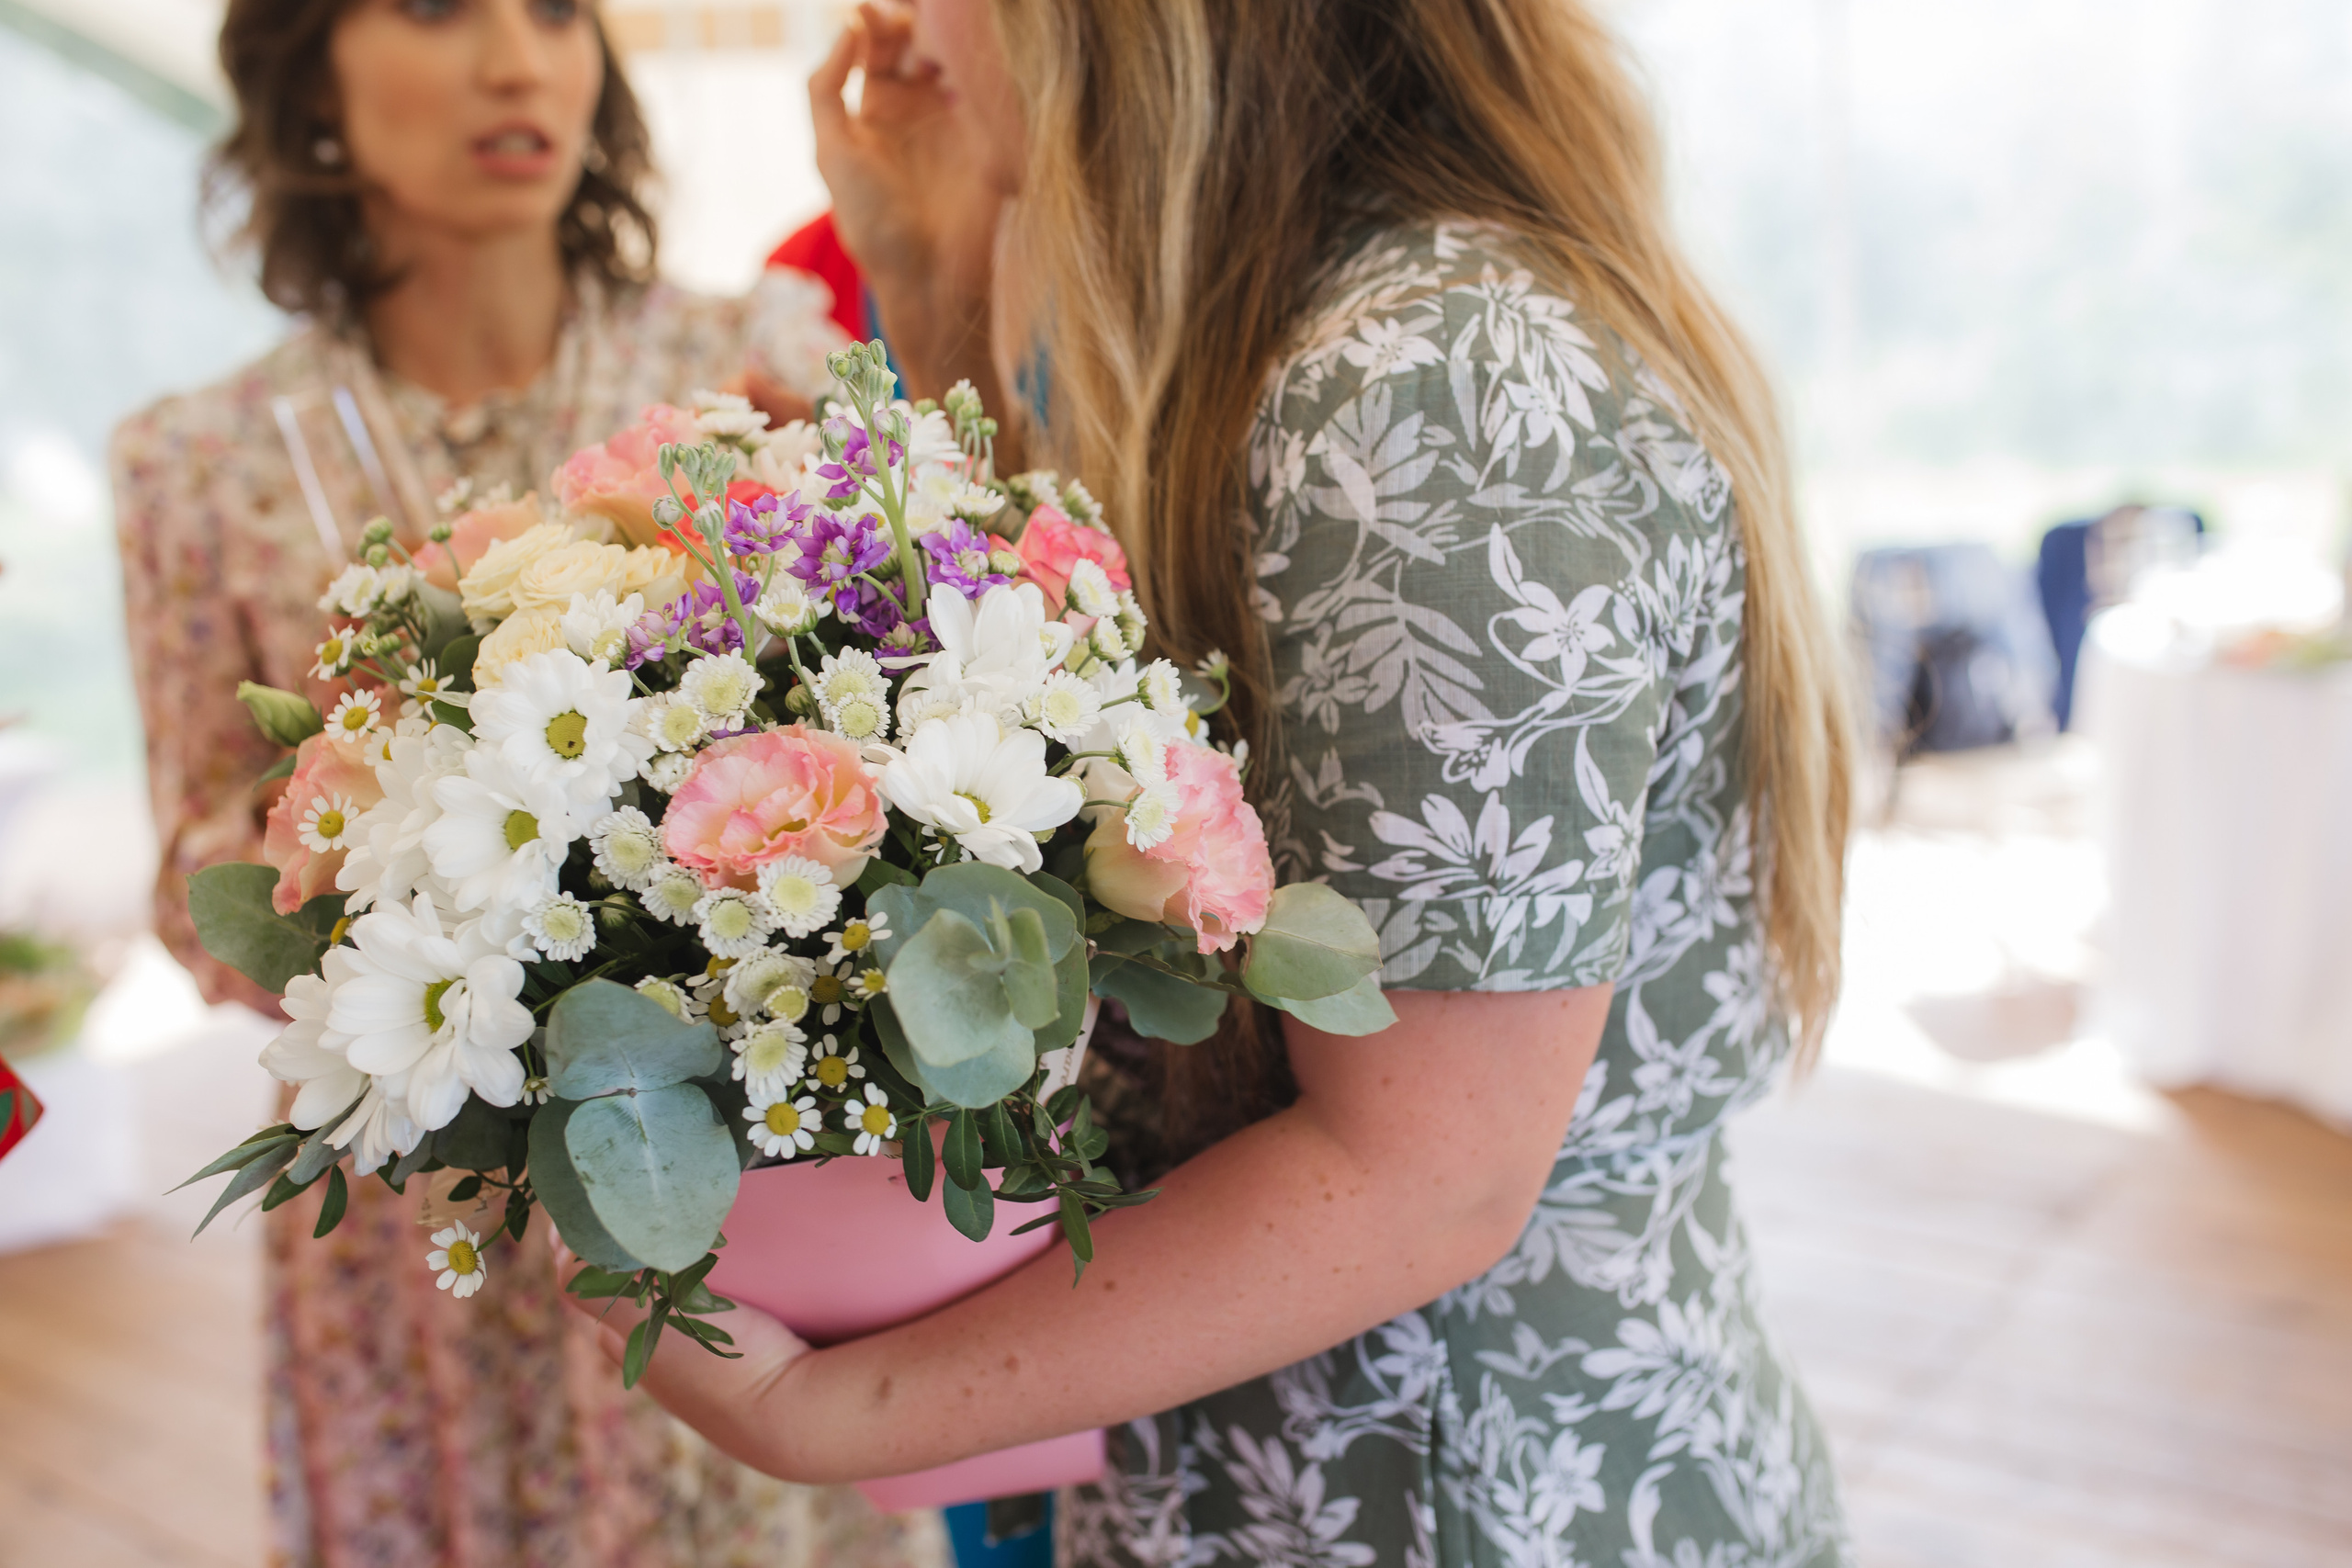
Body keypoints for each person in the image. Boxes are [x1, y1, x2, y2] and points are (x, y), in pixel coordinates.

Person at [576, 0, 1862, 1564]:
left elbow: (1428, 1176)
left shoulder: (1418, 393)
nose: (892, 20)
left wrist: (840, 1411)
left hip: (1451, 1498)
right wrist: (926, 267)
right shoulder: (1305, 340)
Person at [107, 1, 950, 1563]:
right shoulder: (196, 457)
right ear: (310, 84)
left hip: (730, 1185)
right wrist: (378, 801)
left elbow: (918, 712)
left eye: (559, 10)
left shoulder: (748, 370)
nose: (517, 61)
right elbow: (187, 893)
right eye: (439, 9)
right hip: (412, 1220)